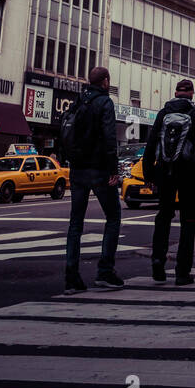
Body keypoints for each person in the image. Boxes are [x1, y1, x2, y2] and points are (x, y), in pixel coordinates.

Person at [143, 78, 195, 286]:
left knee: (163, 216)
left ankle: (157, 263)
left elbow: (151, 144)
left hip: (164, 172)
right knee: (189, 221)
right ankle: (182, 272)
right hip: (189, 174)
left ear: (175, 93)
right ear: (192, 93)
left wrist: (149, 175)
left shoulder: (163, 114)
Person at [63, 65, 124, 293]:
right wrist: (113, 170)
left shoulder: (79, 100)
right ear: (105, 81)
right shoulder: (104, 103)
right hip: (98, 168)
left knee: (75, 223)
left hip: (77, 169)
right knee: (113, 216)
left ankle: (71, 277)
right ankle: (105, 271)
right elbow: (109, 138)